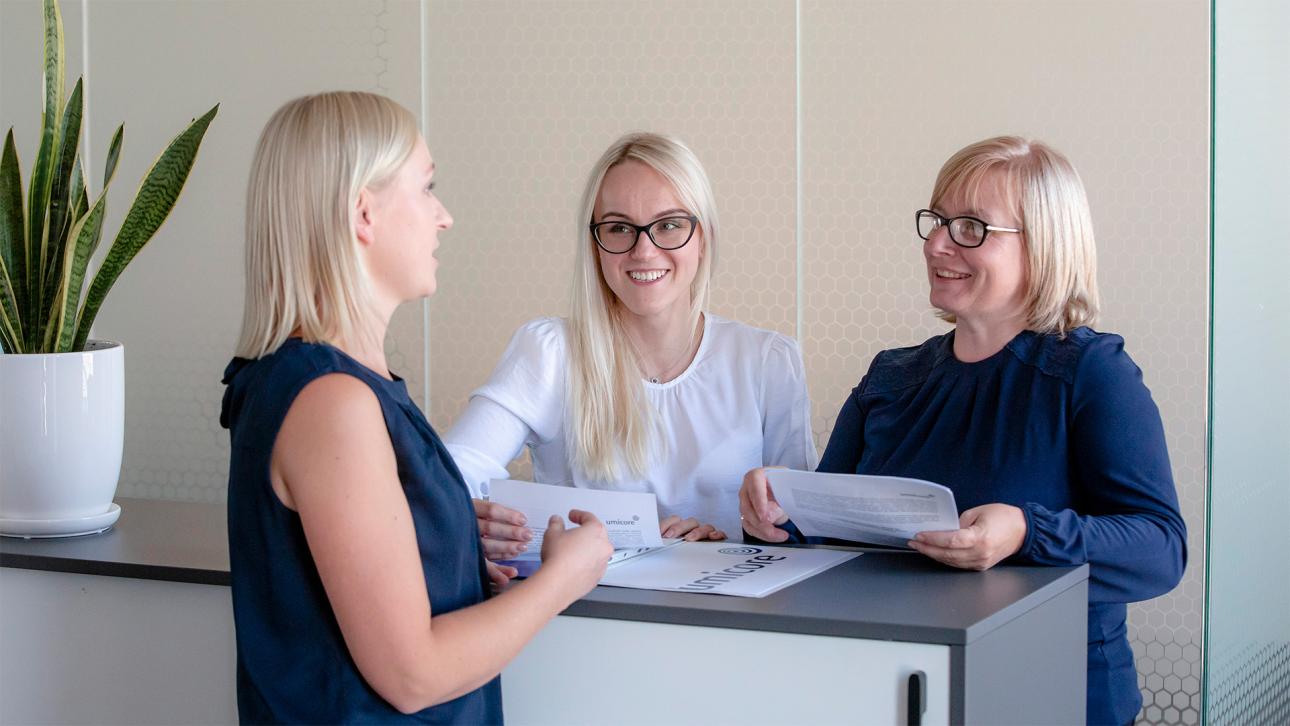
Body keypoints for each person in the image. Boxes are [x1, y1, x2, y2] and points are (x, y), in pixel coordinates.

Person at [739, 136, 1186, 726]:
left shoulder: (1090, 373)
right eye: (937, 221)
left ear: (1043, 246)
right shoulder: (890, 376)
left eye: (971, 227)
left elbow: (1160, 549)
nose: (937, 244)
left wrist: (1026, 531)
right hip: (890, 688)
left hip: (1052, 696)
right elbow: (826, 534)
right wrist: (776, 515)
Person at [220, 91, 612, 724]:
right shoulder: (331, 403)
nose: (443, 217)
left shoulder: (316, 385)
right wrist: (565, 578)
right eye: (427, 188)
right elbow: (412, 675)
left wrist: (445, 549)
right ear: (363, 213)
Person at [446, 132, 816, 555]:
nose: (644, 250)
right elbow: (450, 476)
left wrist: (756, 527)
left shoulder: (768, 361)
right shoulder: (549, 352)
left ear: (704, 238)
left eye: (669, 225)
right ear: (595, 245)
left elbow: (804, 528)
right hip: (591, 595)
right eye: (619, 228)